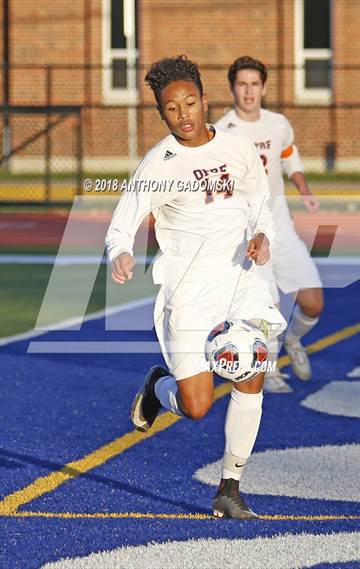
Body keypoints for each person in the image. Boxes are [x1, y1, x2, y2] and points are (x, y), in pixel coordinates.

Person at [106, 55, 286, 519]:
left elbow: (259, 203)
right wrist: (120, 253)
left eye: (190, 102)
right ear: (161, 113)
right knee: (197, 406)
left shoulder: (237, 149)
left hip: (240, 282)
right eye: (171, 108)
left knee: (252, 367)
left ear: (206, 100)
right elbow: (121, 225)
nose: (183, 113)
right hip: (187, 295)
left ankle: (230, 487)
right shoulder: (158, 164)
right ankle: (157, 387)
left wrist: (262, 234)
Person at [216, 56, 324, 393]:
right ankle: (270, 367)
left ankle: (294, 341)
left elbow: (290, 155)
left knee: (313, 301)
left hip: (282, 224)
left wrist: (303, 188)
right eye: (242, 84)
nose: (248, 91)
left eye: (254, 84)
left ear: (263, 87)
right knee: (268, 305)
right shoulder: (222, 131)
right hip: (249, 230)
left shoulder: (278, 124)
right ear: (233, 87)